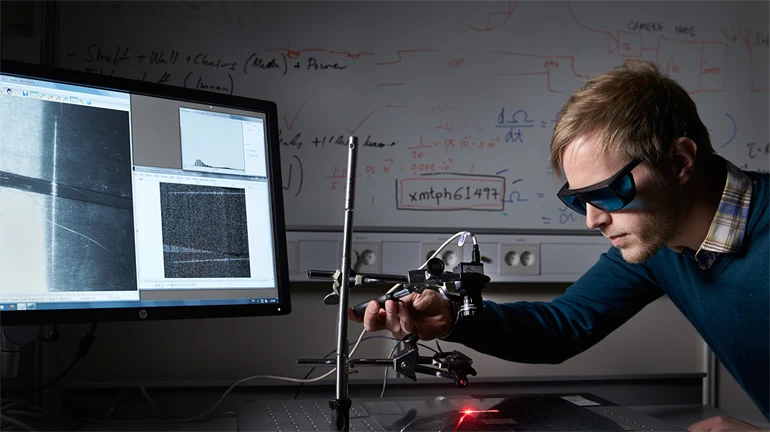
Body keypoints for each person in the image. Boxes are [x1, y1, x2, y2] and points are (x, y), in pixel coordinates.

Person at [350, 58, 770, 432]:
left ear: (679, 162)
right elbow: (563, 327)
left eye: (608, 192)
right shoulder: (659, 245)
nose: (593, 219)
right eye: (577, 200)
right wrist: (453, 319)